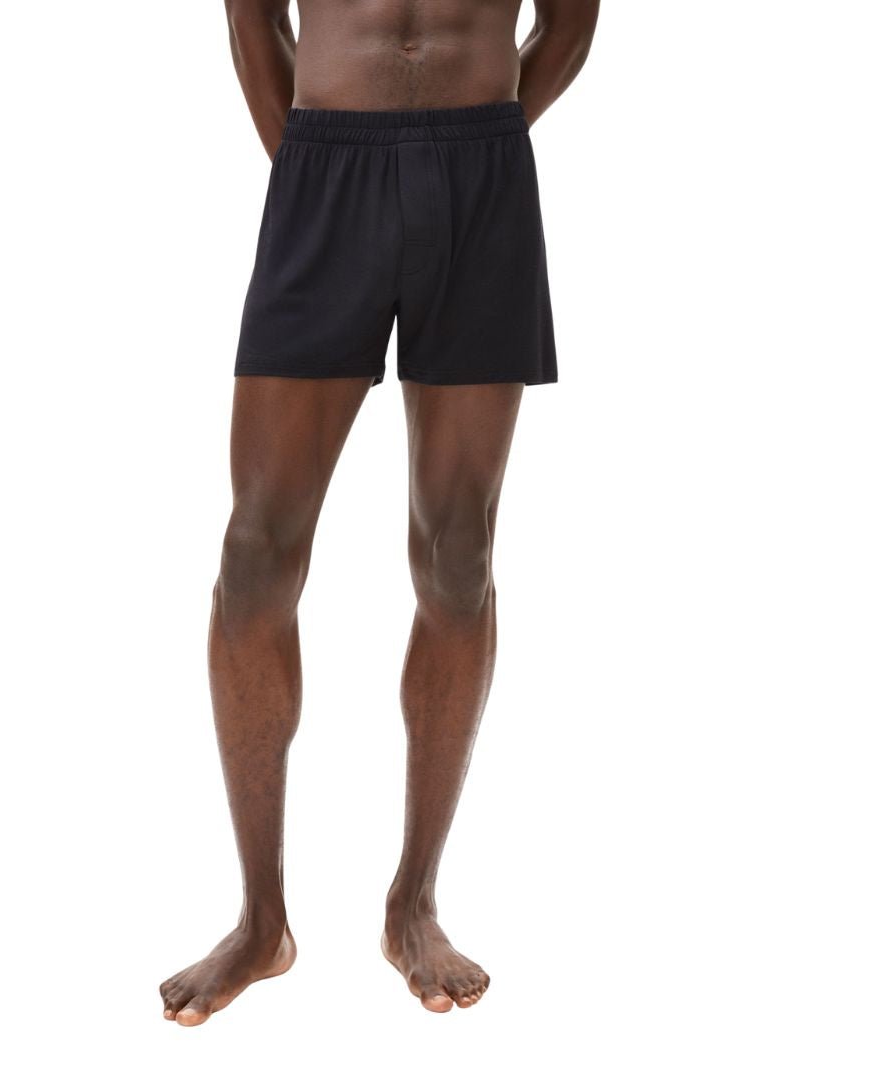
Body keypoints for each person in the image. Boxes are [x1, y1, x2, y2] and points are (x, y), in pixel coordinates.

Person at [161, 0, 600, 1024]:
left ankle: (414, 902)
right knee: (255, 555)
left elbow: (571, 24)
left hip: (483, 173)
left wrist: (478, 144)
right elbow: (252, 17)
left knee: (457, 558)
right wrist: (311, 164)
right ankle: (261, 920)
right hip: (325, 167)